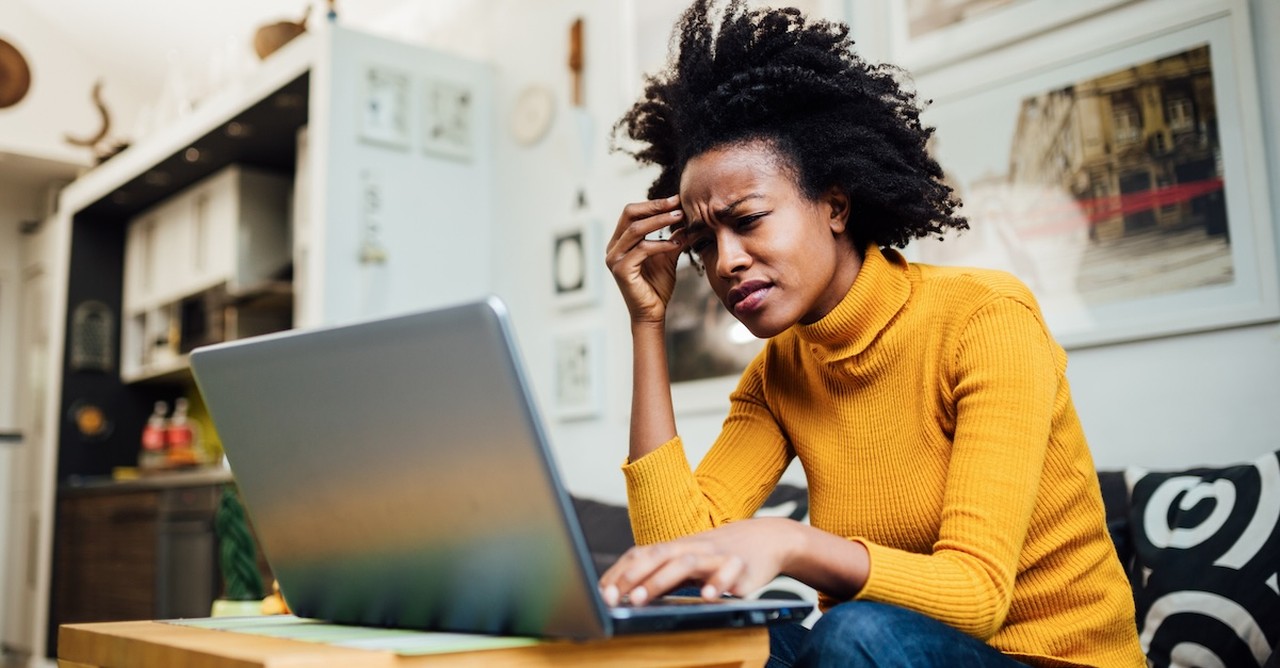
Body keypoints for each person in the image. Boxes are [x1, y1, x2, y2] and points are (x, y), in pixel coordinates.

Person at [599, 1, 1146, 666]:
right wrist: (646, 324)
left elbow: (977, 598)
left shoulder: (986, 318)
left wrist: (790, 543)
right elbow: (679, 566)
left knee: (855, 631)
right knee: (714, 640)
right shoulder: (781, 374)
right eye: (705, 242)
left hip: (1048, 660)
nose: (726, 262)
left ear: (834, 205)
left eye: (747, 220)